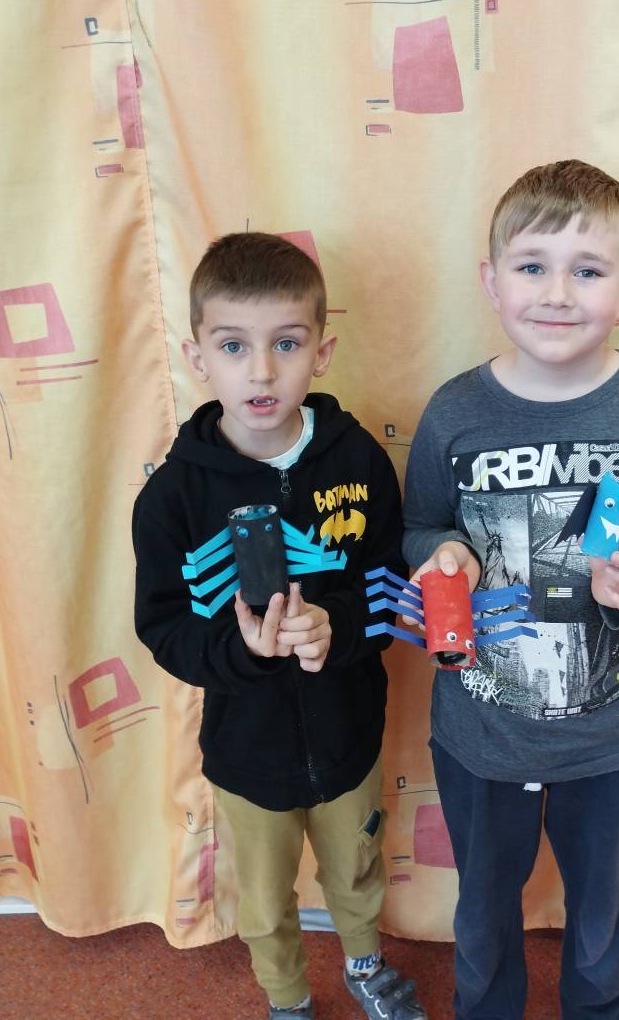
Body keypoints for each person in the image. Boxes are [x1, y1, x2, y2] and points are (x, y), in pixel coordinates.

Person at [402, 160, 619, 1020]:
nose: (556, 293)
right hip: (480, 733)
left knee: (598, 924)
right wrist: (444, 553)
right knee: (483, 917)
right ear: (491, 281)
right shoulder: (454, 413)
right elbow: (417, 526)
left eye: (587, 270)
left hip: (609, 740)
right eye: (531, 266)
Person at [133, 232, 427, 1020]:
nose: (261, 371)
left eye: (286, 344)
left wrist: (338, 629)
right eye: (234, 346)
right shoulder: (171, 497)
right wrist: (243, 651)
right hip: (245, 750)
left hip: (349, 733)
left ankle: (365, 966)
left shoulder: (359, 461)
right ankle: (287, 999)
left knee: (357, 868)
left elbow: (391, 587)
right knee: (262, 899)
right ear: (198, 357)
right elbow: (162, 628)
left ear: (321, 352)